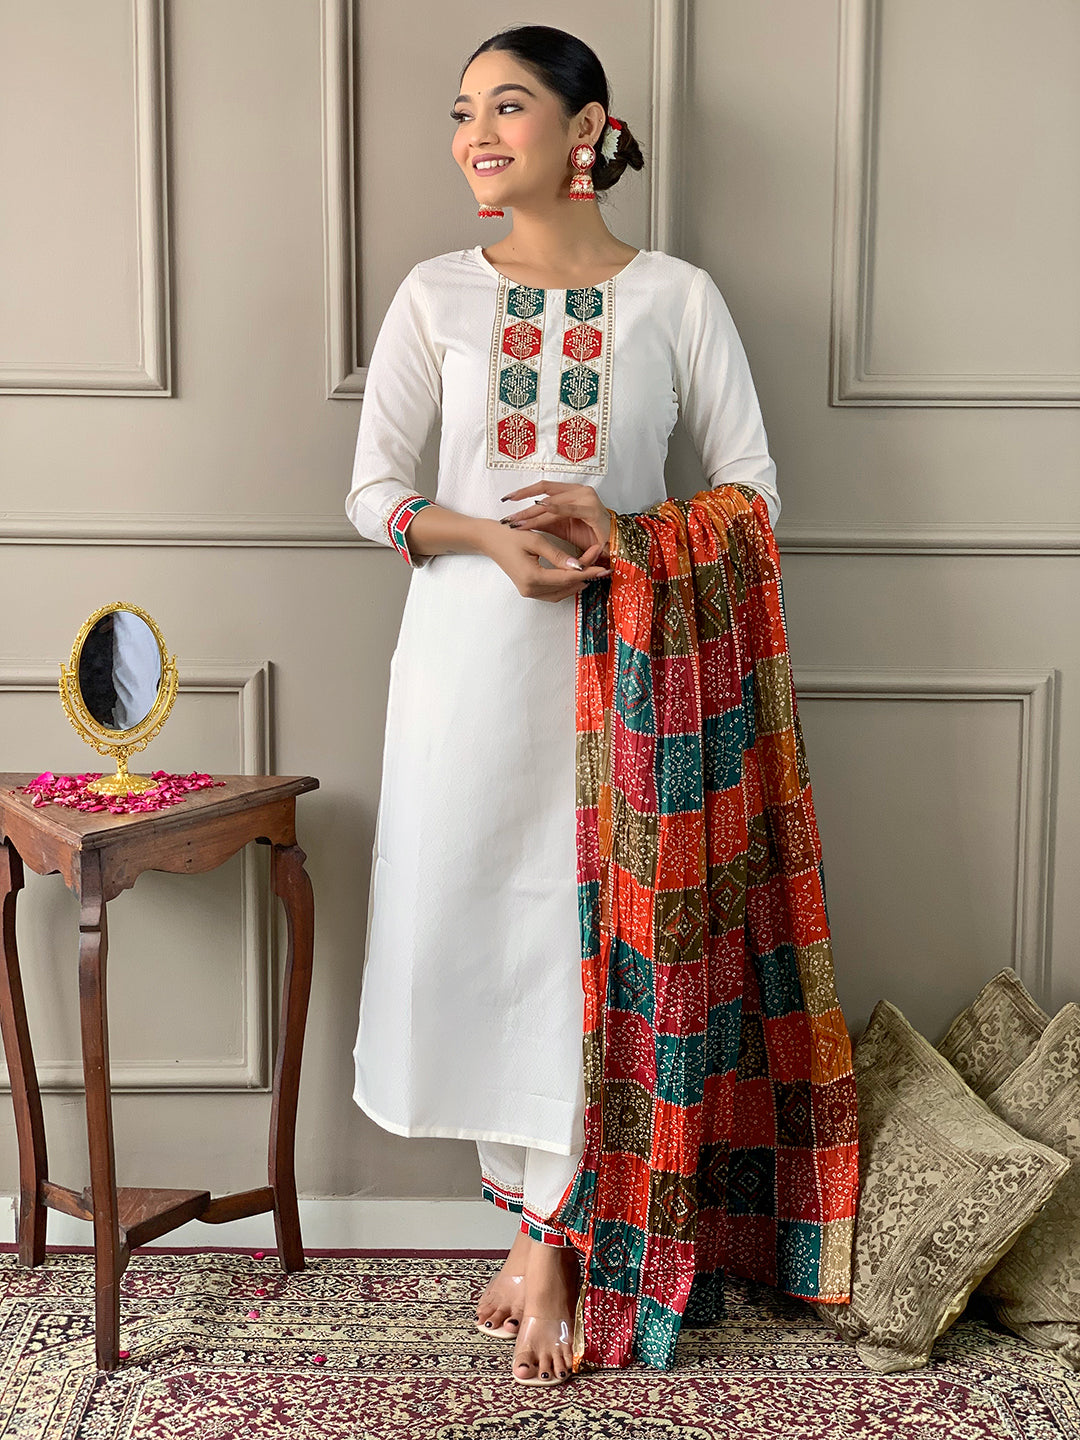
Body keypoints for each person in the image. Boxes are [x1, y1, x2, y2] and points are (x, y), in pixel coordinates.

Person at [346, 25, 789, 1387]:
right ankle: (537, 1217)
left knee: (593, 946)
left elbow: (757, 498)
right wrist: (488, 539)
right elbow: (372, 497)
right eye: (463, 110)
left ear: (587, 127)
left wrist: (628, 534)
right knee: (483, 936)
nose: (479, 133)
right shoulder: (433, 295)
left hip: (634, 676)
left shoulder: (677, 297)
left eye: (511, 106)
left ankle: (547, 1240)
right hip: (466, 675)